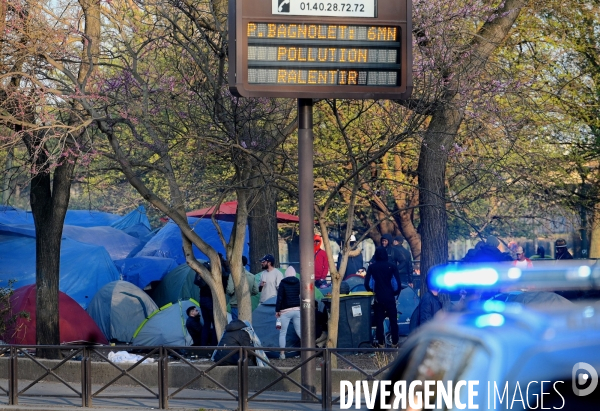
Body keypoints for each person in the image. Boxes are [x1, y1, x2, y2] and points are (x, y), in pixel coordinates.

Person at [364, 246, 402, 348]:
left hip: (378, 298)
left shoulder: (372, 268)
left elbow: (368, 284)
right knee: (393, 320)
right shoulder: (392, 266)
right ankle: (395, 342)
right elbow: (397, 284)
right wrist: (394, 293)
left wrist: (372, 291)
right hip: (390, 297)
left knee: (379, 321)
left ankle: (381, 342)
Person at [275, 266, 301, 359]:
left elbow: (280, 298)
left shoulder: (283, 283)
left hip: (285, 311)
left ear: (286, 274)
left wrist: (277, 310)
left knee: (283, 333)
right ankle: (307, 351)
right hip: (297, 310)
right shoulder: (298, 282)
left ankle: (282, 354)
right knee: (300, 331)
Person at [226, 256, 259, 321]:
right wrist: (247, 293)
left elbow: (230, 290)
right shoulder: (251, 276)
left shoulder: (233, 275)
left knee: (237, 326)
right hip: (247, 305)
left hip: (236, 304)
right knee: (246, 325)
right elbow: (256, 291)